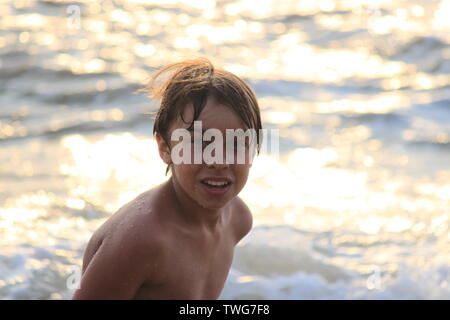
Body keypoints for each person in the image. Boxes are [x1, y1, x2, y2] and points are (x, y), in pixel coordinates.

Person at [72, 58, 262, 299]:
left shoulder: (237, 220)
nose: (219, 161)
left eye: (236, 143)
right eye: (200, 142)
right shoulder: (142, 239)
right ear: (165, 148)